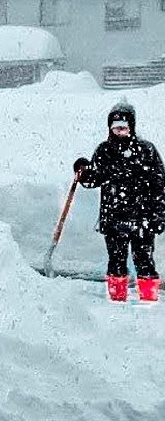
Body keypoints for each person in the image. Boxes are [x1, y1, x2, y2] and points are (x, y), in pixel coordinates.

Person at [73, 103, 165, 302]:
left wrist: (159, 215)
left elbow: (159, 185)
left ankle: (149, 301)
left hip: (143, 219)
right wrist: (83, 172)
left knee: (145, 262)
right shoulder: (104, 151)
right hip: (114, 219)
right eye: (115, 127)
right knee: (116, 262)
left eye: (123, 126)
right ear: (110, 128)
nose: (120, 131)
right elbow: (93, 180)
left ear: (131, 126)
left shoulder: (146, 150)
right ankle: (117, 302)